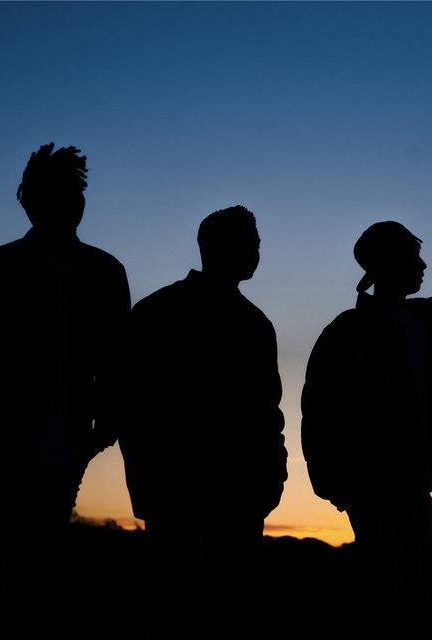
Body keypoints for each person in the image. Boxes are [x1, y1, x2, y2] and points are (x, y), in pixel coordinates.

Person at [0, 143, 131, 610]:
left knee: (46, 549)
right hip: (8, 439)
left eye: (71, 195)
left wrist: (106, 424)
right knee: (23, 549)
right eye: (49, 197)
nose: (63, 206)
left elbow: (120, 356)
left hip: (74, 439)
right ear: (29, 203)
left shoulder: (105, 272)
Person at [119, 205, 287, 634]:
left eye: (257, 245)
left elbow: (267, 411)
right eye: (248, 244)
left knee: (230, 607)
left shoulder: (255, 324)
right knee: (175, 603)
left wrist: (273, 474)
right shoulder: (157, 313)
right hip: (173, 487)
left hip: (241, 490)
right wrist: (146, 483)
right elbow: (131, 403)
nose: (255, 253)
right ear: (213, 247)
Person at [301, 221, 432, 629]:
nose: (423, 265)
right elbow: (320, 409)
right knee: (386, 584)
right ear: (386, 263)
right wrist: (331, 481)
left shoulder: (426, 327)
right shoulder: (345, 332)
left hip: (418, 485)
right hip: (370, 485)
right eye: (413, 256)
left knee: (416, 587)